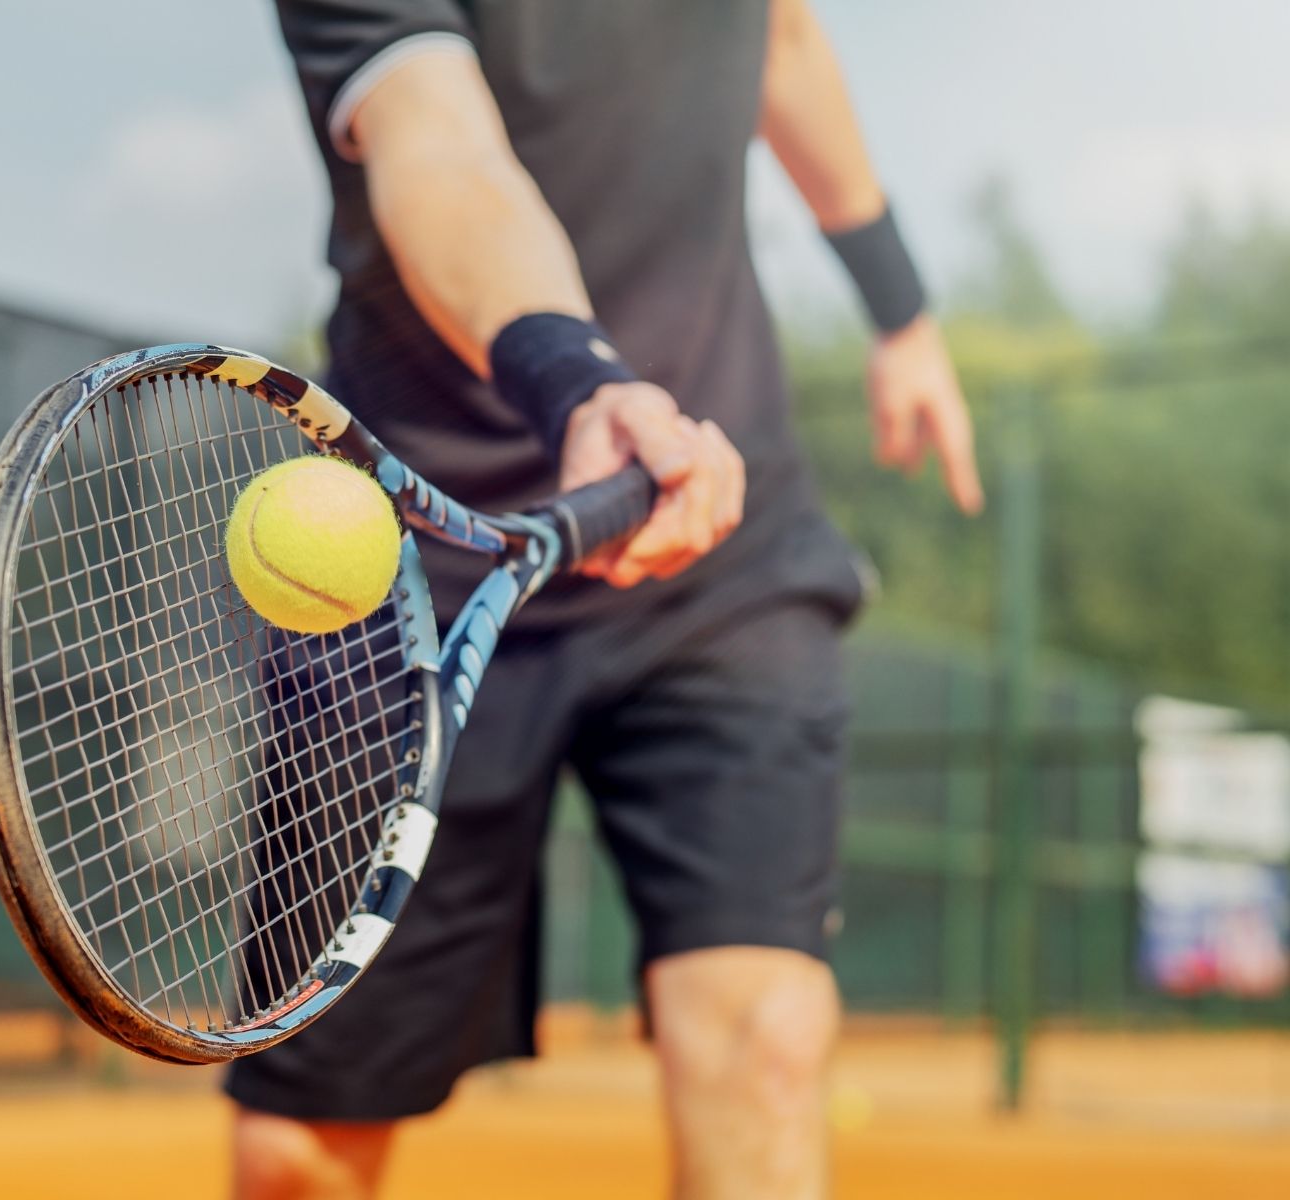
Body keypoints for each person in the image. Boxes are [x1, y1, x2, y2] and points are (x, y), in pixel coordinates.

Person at [228, 2, 982, 1197]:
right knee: (299, 1156)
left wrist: (899, 309)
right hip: (412, 559)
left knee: (766, 1041)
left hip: (716, 538)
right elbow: (438, 139)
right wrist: (577, 382)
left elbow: (780, 35)